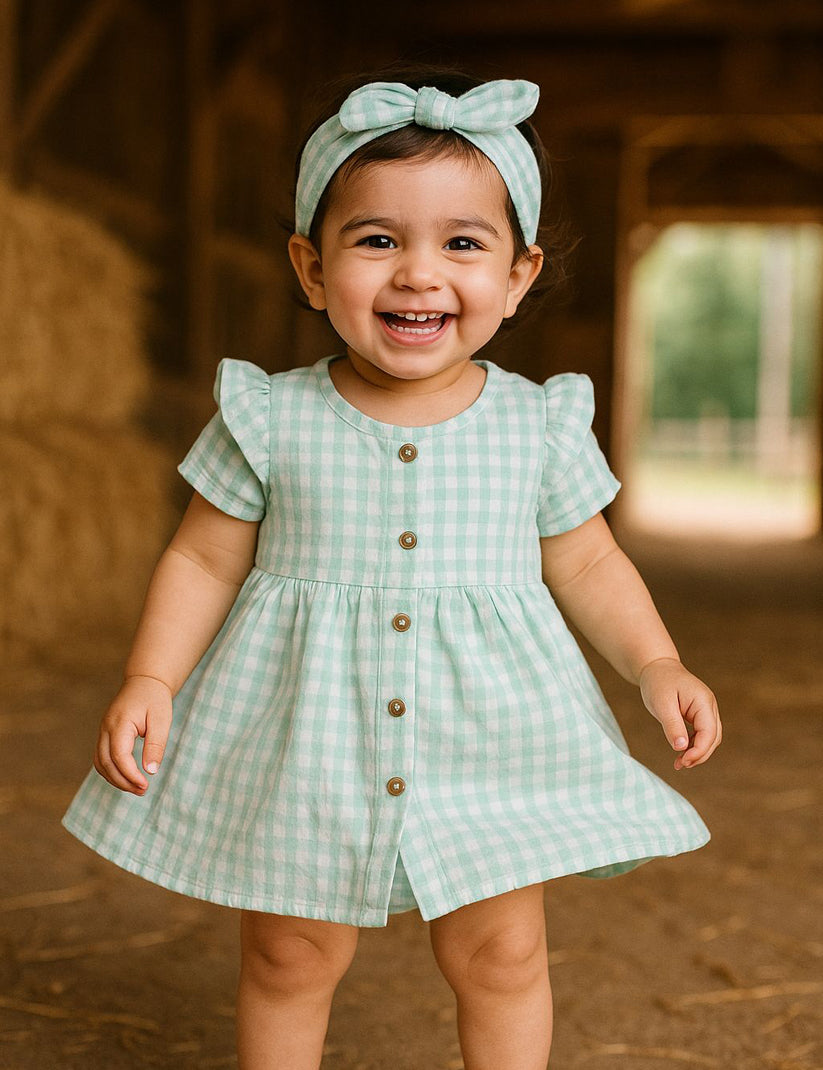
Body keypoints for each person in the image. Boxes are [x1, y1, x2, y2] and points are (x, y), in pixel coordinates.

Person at [63, 65, 722, 1070]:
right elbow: (200, 554)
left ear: (518, 274)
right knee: (288, 949)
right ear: (311, 266)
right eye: (377, 239)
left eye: (462, 242)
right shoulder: (268, 415)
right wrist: (151, 675)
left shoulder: (536, 424)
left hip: (497, 729)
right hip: (306, 727)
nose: (418, 272)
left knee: (501, 951)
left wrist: (655, 662)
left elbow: (586, 556)